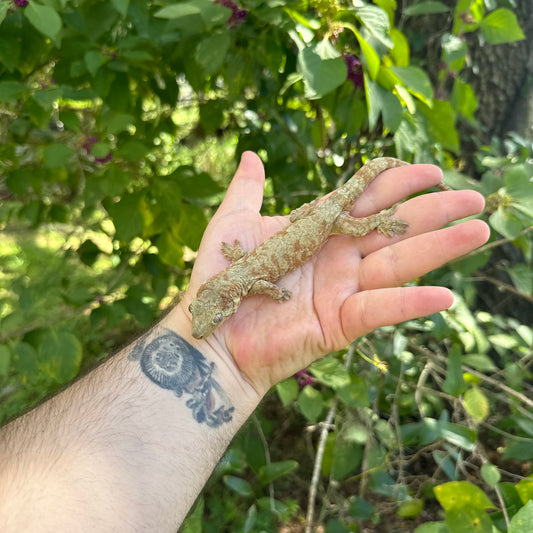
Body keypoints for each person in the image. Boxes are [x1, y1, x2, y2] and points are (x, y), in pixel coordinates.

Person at [0, 151, 489, 532]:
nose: (206, 322)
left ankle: (382, 197)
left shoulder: (244, 279)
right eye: (203, 314)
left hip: (326, 223)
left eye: (210, 316)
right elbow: (246, 281)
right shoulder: (233, 277)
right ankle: (380, 181)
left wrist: (368, 223)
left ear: (225, 298)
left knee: (355, 224)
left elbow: (267, 285)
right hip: (309, 224)